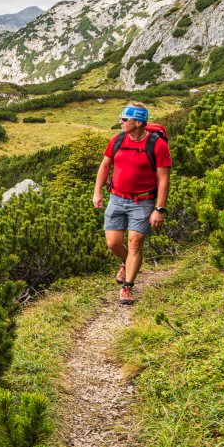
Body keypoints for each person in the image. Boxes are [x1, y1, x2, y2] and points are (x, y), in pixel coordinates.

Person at [92, 102, 172, 304]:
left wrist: (159, 209)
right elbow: (105, 166)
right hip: (117, 199)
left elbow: (164, 179)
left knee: (135, 243)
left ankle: (128, 287)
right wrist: (97, 192)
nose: (120, 122)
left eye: (125, 119)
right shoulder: (117, 140)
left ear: (138, 122)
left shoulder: (157, 145)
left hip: (143, 202)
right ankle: (126, 263)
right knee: (113, 243)